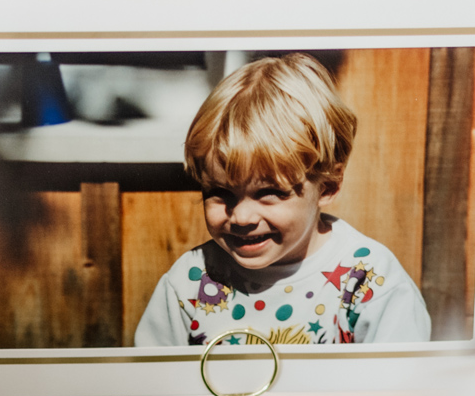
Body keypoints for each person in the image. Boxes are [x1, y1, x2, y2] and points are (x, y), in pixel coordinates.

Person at [132, 53, 433, 347]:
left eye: (269, 193)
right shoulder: (190, 282)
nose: (242, 217)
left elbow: (401, 390)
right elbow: (149, 387)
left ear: (327, 186)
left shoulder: (370, 283)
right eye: (220, 193)